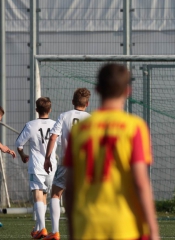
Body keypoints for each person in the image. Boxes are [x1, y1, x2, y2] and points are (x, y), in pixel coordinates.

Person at [64, 63, 160, 240]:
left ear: (98, 89)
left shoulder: (79, 131)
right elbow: (140, 182)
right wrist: (153, 230)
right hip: (125, 225)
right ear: (128, 91)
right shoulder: (135, 127)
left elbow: (69, 188)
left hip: (87, 225)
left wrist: (72, 231)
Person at [43, 88, 91, 240]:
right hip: (84, 163)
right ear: (87, 104)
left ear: (72, 102)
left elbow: (53, 138)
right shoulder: (91, 119)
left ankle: (55, 232)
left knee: (56, 194)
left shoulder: (64, 116)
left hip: (67, 163)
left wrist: (47, 158)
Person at [15, 97, 58, 239]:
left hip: (37, 166)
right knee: (45, 195)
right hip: (52, 166)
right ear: (50, 110)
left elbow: (19, 144)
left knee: (38, 196)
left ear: (36, 110)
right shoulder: (56, 124)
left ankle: (43, 229)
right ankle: (39, 228)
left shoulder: (30, 125)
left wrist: (22, 155)